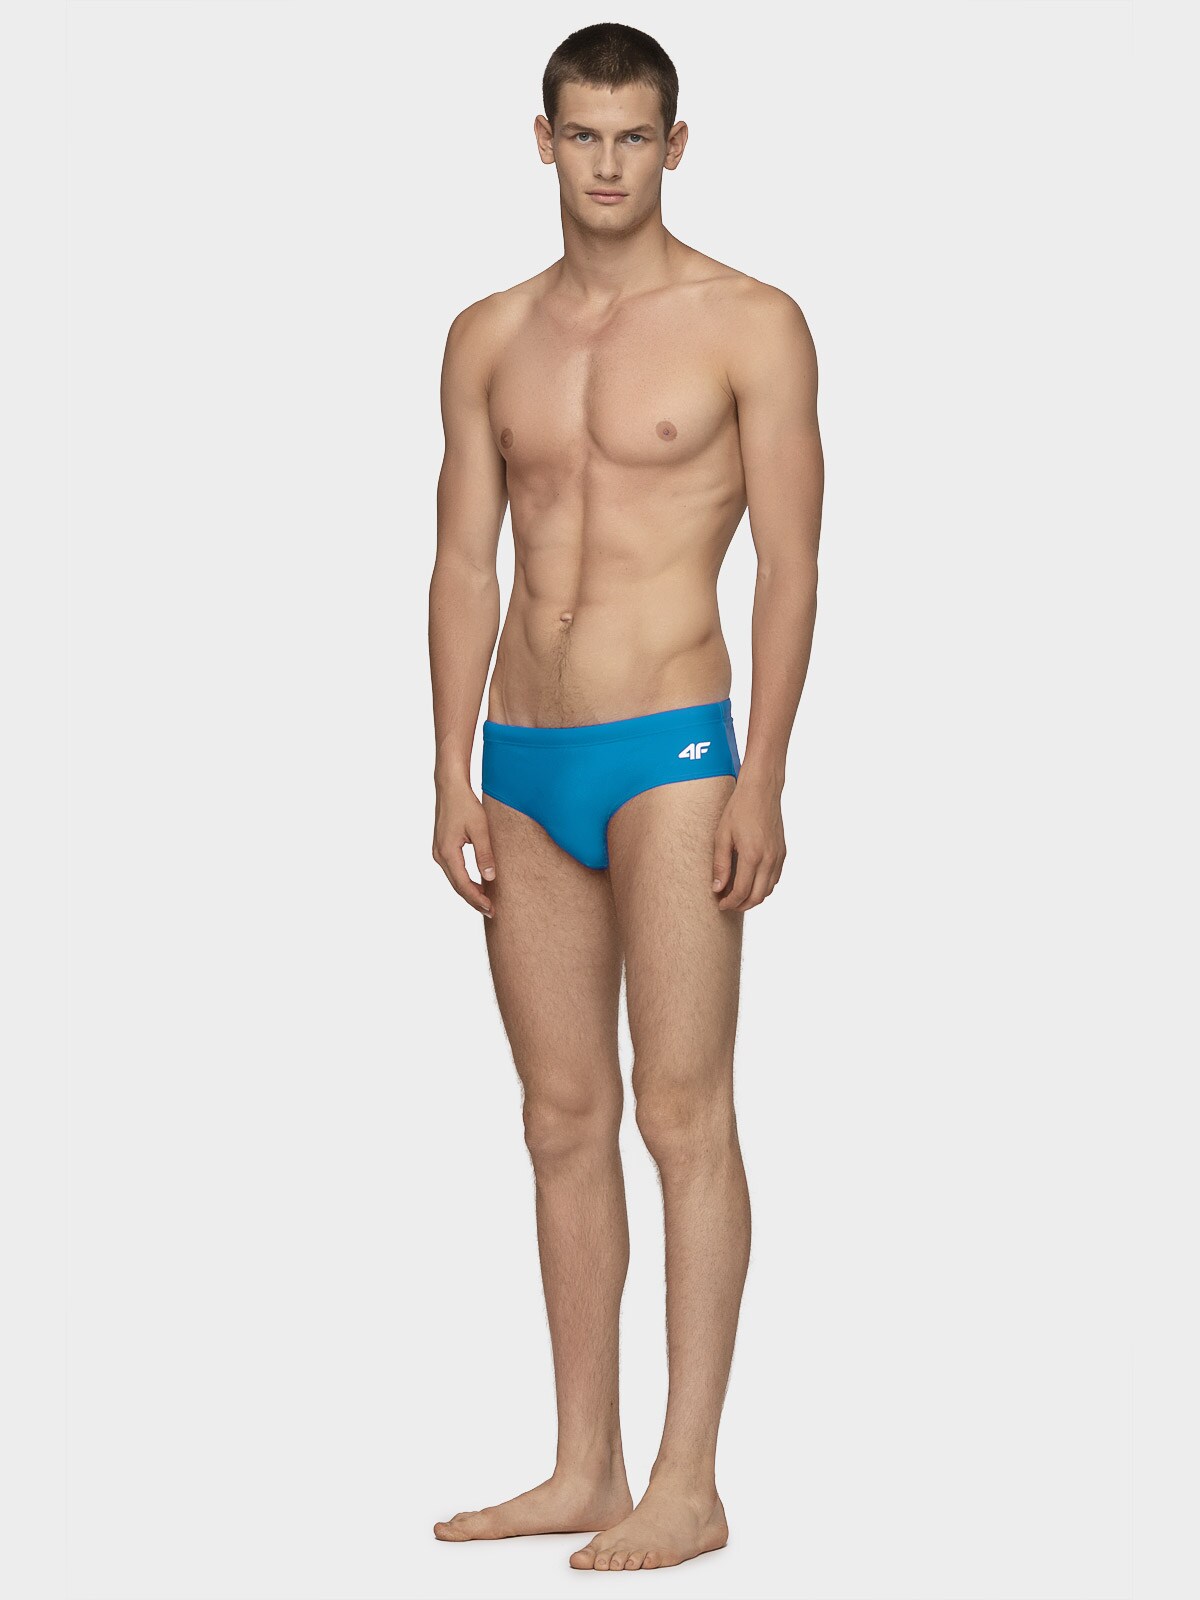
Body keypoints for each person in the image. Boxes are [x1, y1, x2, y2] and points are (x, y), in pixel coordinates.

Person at [428, 21, 823, 1573]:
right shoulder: (487, 335)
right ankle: (583, 1463)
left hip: (673, 749)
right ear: (543, 142)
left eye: (633, 137)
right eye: (582, 136)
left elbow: (791, 564)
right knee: (559, 1118)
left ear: (675, 144)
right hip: (523, 756)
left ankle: (689, 1481)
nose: (607, 165)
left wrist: (765, 773)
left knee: (680, 1109)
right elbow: (464, 563)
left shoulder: (750, 323)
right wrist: (448, 764)